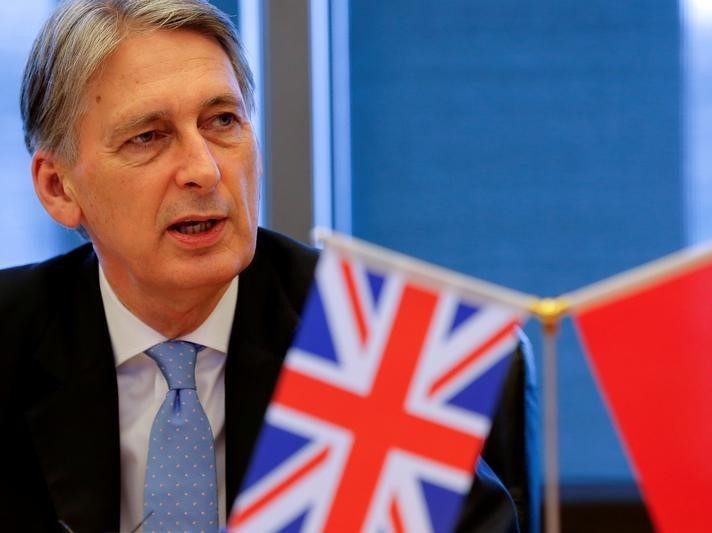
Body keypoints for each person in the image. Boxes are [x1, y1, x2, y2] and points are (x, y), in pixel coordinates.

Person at [0, 1, 534, 531]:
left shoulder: (368, 342)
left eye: (222, 121)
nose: (204, 171)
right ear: (58, 187)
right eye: (149, 137)